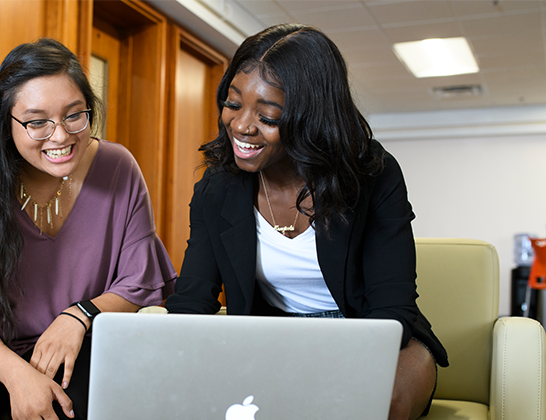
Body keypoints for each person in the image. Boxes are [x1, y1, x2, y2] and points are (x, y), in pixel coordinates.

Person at [164, 24, 447, 420]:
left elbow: (392, 312)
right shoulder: (219, 186)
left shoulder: (373, 175)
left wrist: (325, 368)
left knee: (376, 402)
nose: (243, 126)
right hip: (275, 337)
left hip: (376, 339)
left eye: (267, 115)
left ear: (311, 117)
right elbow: (192, 301)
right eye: (232, 104)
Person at [0, 38, 176, 420]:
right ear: (7, 122)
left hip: (75, 343)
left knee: (80, 406)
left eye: (74, 115)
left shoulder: (118, 167)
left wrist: (79, 316)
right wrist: (18, 376)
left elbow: (139, 281)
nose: (61, 136)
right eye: (38, 122)